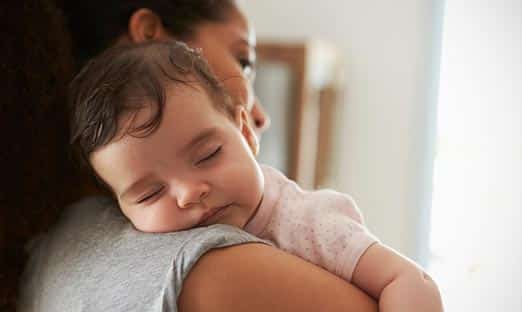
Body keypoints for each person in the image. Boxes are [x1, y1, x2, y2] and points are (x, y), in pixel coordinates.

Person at [15, 0, 381, 311]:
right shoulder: (214, 272)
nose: (260, 117)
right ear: (149, 35)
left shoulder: (50, 246)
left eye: (207, 154)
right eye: (243, 61)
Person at [68, 40, 443, 311]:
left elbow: (410, 281)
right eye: (150, 194)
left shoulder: (309, 222)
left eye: (208, 155)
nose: (189, 193)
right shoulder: (144, 254)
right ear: (119, 207)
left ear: (245, 132)